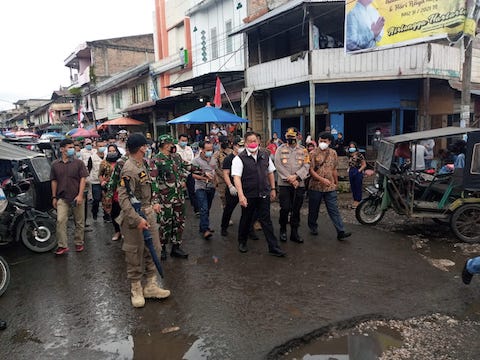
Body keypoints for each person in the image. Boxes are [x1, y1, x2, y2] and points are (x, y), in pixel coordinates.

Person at [117, 133, 170, 308]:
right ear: (141, 148)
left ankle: (151, 285)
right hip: (134, 217)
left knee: (154, 248)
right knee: (134, 252)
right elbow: (124, 199)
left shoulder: (141, 165)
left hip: (147, 212)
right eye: (145, 146)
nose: (147, 148)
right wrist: (136, 219)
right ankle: (136, 288)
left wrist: (153, 203)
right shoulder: (129, 169)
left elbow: (146, 189)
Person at [232, 132, 286, 257]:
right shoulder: (239, 158)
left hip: (263, 193)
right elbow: (237, 178)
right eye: (250, 141)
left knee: (266, 220)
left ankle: (273, 247)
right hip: (248, 194)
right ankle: (242, 241)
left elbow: (270, 172)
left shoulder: (264, 155)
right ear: (245, 143)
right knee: (246, 218)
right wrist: (241, 195)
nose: (253, 143)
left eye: (254, 140)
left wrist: (273, 189)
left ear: (259, 142)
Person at [308, 132, 352, 240]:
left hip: (330, 187)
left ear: (330, 142)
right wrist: (321, 179)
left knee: (333, 209)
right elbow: (310, 170)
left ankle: (341, 231)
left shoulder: (333, 153)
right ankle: (313, 226)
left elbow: (334, 169)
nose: (322, 143)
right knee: (314, 209)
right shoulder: (313, 153)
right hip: (315, 186)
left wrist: (336, 182)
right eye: (320, 141)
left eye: (325, 141)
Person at [50, 139, 89, 255]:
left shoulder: (79, 163)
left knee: (79, 222)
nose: (72, 149)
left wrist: (80, 195)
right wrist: (53, 197)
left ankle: (79, 242)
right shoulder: (55, 165)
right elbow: (54, 181)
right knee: (60, 220)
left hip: (77, 196)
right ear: (62, 149)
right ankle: (62, 245)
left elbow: (83, 179)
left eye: (73, 147)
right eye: (69, 147)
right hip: (62, 197)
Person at [153, 134, 189, 259]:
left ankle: (176, 247)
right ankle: (162, 248)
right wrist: (155, 200)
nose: (172, 146)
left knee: (179, 222)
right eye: (170, 143)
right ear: (165, 144)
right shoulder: (156, 160)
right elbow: (153, 182)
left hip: (179, 197)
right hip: (165, 199)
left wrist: (202, 172)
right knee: (164, 224)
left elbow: (187, 166)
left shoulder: (176, 157)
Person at [274, 127, 310, 243]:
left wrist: (296, 177)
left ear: (298, 136)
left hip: (299, 184)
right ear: (285, 137)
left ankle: (294, 233)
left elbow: (307, 165)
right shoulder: (280, 149)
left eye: (293, 136)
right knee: (284, 208)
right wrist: (290, 178)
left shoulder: (304, 150)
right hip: (284, 184)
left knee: (296, 209)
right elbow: (278, 165)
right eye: (288, 137)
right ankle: (283, 230)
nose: (290, 139)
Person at [191, 141, 217, 239]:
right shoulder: (196, 161)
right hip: (200, 187)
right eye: (208, 150)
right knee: (204, 208)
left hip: (211, 187)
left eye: (211, 149)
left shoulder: (213, 159)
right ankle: (205, 229)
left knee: (207, 208)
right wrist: (204, 177)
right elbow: (193, 175)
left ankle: (203, 226)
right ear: (202, 149)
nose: (210, 152)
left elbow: (215, 170)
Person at [220, 137, 245, 236]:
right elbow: (226, 173)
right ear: (234, 146)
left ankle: (248, 229)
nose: (241, 148)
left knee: (247, 210)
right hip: (233, 188)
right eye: (239, 146)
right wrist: (230, 186)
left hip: (244, 187)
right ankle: (223, 227)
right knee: (228, 209)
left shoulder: (245, 157)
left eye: (243, 146)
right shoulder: (228, 159)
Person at [99, 144, 123, 240]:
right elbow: (100, 175)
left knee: (124, 210)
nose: (112, 152)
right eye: (110, 151)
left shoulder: (121, 162)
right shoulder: (104, 163)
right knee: (113, 212)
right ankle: (117, 231)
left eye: (114, 150)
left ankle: (124, 231)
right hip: (110, 190)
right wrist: (103, 182)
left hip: (121, 190)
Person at [176, 133, 198, 215]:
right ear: (179, 140)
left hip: (189, 172)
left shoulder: (189, 149)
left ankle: (197, 209)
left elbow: (192, 160)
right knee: (179, 192)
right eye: (182, 140)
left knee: (192, 191)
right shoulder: (175, 149)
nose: (184, 142)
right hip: (179, 173)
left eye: (185, 141)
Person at [89, 139, 106, 221]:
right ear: (96, 147)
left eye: (103, 146)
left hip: (106, 180)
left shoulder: (107, 156)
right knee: (96, 199)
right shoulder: (92, 157)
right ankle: (94, 212)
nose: (102, 148)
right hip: (95, 181)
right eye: (100, 146)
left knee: (106, 199)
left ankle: (106, 215)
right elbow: (89, 169)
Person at [214, 136, 232, 209]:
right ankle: (226, 217)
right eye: (223, 142)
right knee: (224, 198)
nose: (225, 143)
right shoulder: (217, 154)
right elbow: (215, 167)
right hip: (222, 180)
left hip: (232, 177)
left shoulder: (231, 152)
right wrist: (223, 175)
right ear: (220, 143)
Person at [347, 141, 367, 209]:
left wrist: (358, 171)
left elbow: (364, 165)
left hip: (358, 170)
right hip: (351, 171)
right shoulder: (350, 155)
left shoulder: (359, 155)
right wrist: (349, 169)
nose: (351, 148)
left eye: (353, 147)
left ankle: (358, 200)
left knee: (358, 186)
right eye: (350, 147)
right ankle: (355, 200)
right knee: (353, 187)